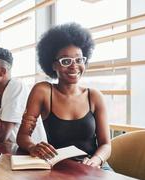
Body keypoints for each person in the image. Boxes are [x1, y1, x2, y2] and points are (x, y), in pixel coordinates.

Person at [16, 23, 111, 169]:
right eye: (66, 61)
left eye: (79, 60)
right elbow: (22, 136)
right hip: (61, 168)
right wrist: (33, 147)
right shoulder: (43, 91)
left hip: (94, 167)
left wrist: (96, 160)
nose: (74, 66)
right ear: (53, 65)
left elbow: (106, 144)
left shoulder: (94, 96)